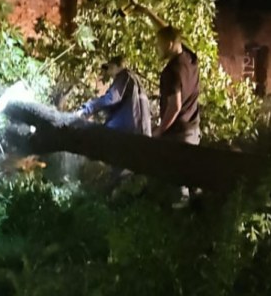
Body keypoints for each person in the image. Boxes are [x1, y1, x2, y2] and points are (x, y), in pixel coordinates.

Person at [154, 25, 201, 208]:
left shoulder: (171, 71)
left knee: (179, 194)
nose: (157, 48)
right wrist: (147, 13)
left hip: (177, 136)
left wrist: (160, 130)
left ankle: (177, 218)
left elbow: (174, 106)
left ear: (169, 44)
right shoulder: (190, 59)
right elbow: (173, 33)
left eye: (159, 44)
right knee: (193, 182)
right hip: (193, 131)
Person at [75, 55, 152, 136]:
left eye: (110, 68)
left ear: (117, 66)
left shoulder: (124, 75)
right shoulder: (136, 82)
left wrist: (87, 109)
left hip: (126, 131)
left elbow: (111, 98)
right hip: (142, 134)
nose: (108, 72)